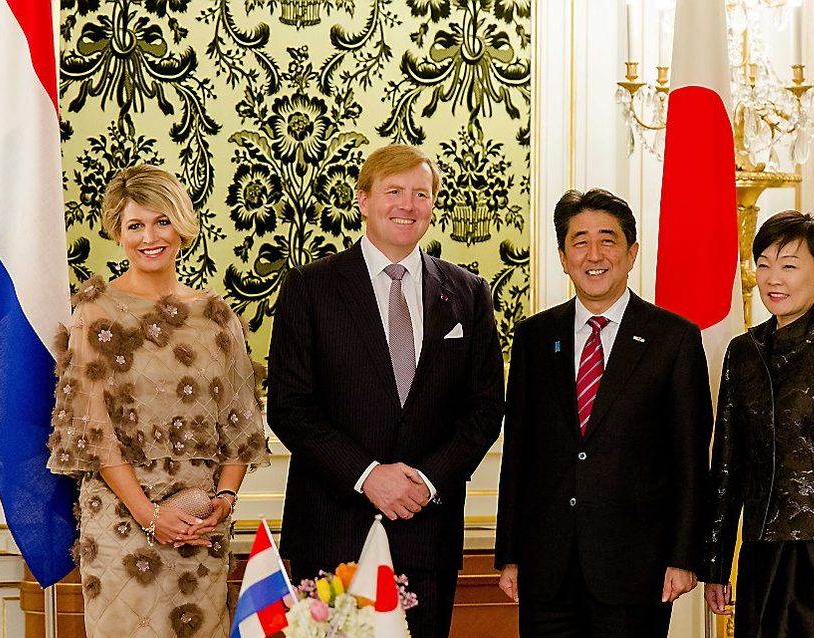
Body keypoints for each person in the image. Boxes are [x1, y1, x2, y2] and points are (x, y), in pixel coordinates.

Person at [267, 144, 505, 638]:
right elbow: (289, 407)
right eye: (394, 191)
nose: (407, 204)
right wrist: (367, 475)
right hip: (332, 528)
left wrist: (426, 479)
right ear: (363, 200)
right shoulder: (309, 288)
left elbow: (484, 409)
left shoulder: (468, 293)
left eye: (421, 194)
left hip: (427, 530)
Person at [46, 164, 270, 637]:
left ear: (182, 227)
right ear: (119, 233)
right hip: (122, 529)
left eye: (161, 221)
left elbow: (241, 426)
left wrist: (224, 500)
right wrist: (150, 516)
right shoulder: (94, 312)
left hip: (201, 526)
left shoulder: (216, 316)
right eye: (135, 225)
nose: (150, 236)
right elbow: (93, 430)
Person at [495, 188, 712, 637]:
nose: (594, 254)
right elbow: (519, 452)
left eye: (608, 240)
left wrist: (684, 556)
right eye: (580, 241)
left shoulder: (673, 339)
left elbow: (690, 459)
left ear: (632, 253)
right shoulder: (535, 337)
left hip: (638, 570)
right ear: (562, 255)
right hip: (546, 567)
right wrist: (510, 553)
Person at [702, 210, 814, 638]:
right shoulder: (742, 352)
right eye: (763, 264)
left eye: (788, 265)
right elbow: (727, 464)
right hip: (759, 550)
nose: (772, 278)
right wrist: (715, 561)